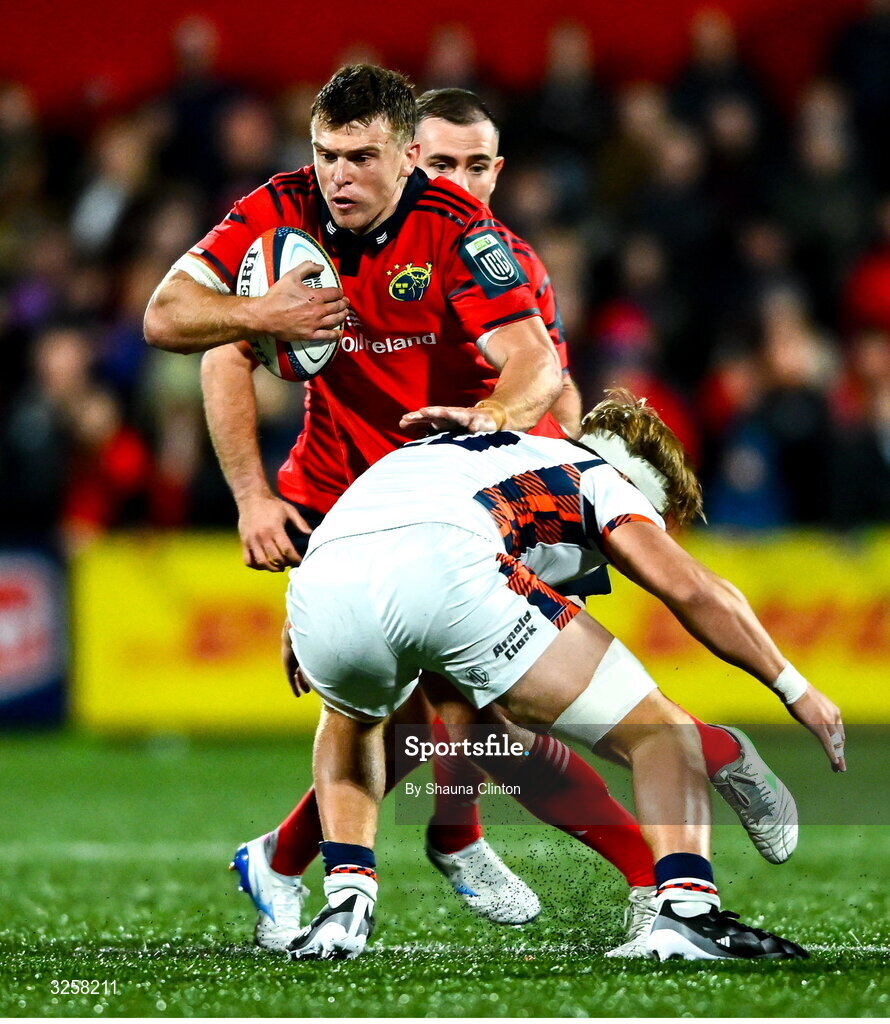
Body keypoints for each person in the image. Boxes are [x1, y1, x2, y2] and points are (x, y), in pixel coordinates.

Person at [143, 68, 794, 953]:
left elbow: (546, 383)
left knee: (474, 711)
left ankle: (347, 850)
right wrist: (256, 492)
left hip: (463, 505)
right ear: (413, 156)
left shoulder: (497, 256)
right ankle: (615, 844)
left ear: (492, 170)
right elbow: (216, 345)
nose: (458, 180)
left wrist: (566, 489)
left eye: (476, 165)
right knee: (446, 710)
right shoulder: (296, 222)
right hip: (345, 495)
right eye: (443, 161)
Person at [283, 390, 846, 962]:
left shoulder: (495, 454)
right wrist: (793, 687)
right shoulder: (603, 479)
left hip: (322, 575)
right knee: (660, 733)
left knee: (354, 721)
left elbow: (380, 547)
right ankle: (688, 912)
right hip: (448, 564)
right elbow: (692, 588)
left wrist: (304, 620)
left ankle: (345, 902)